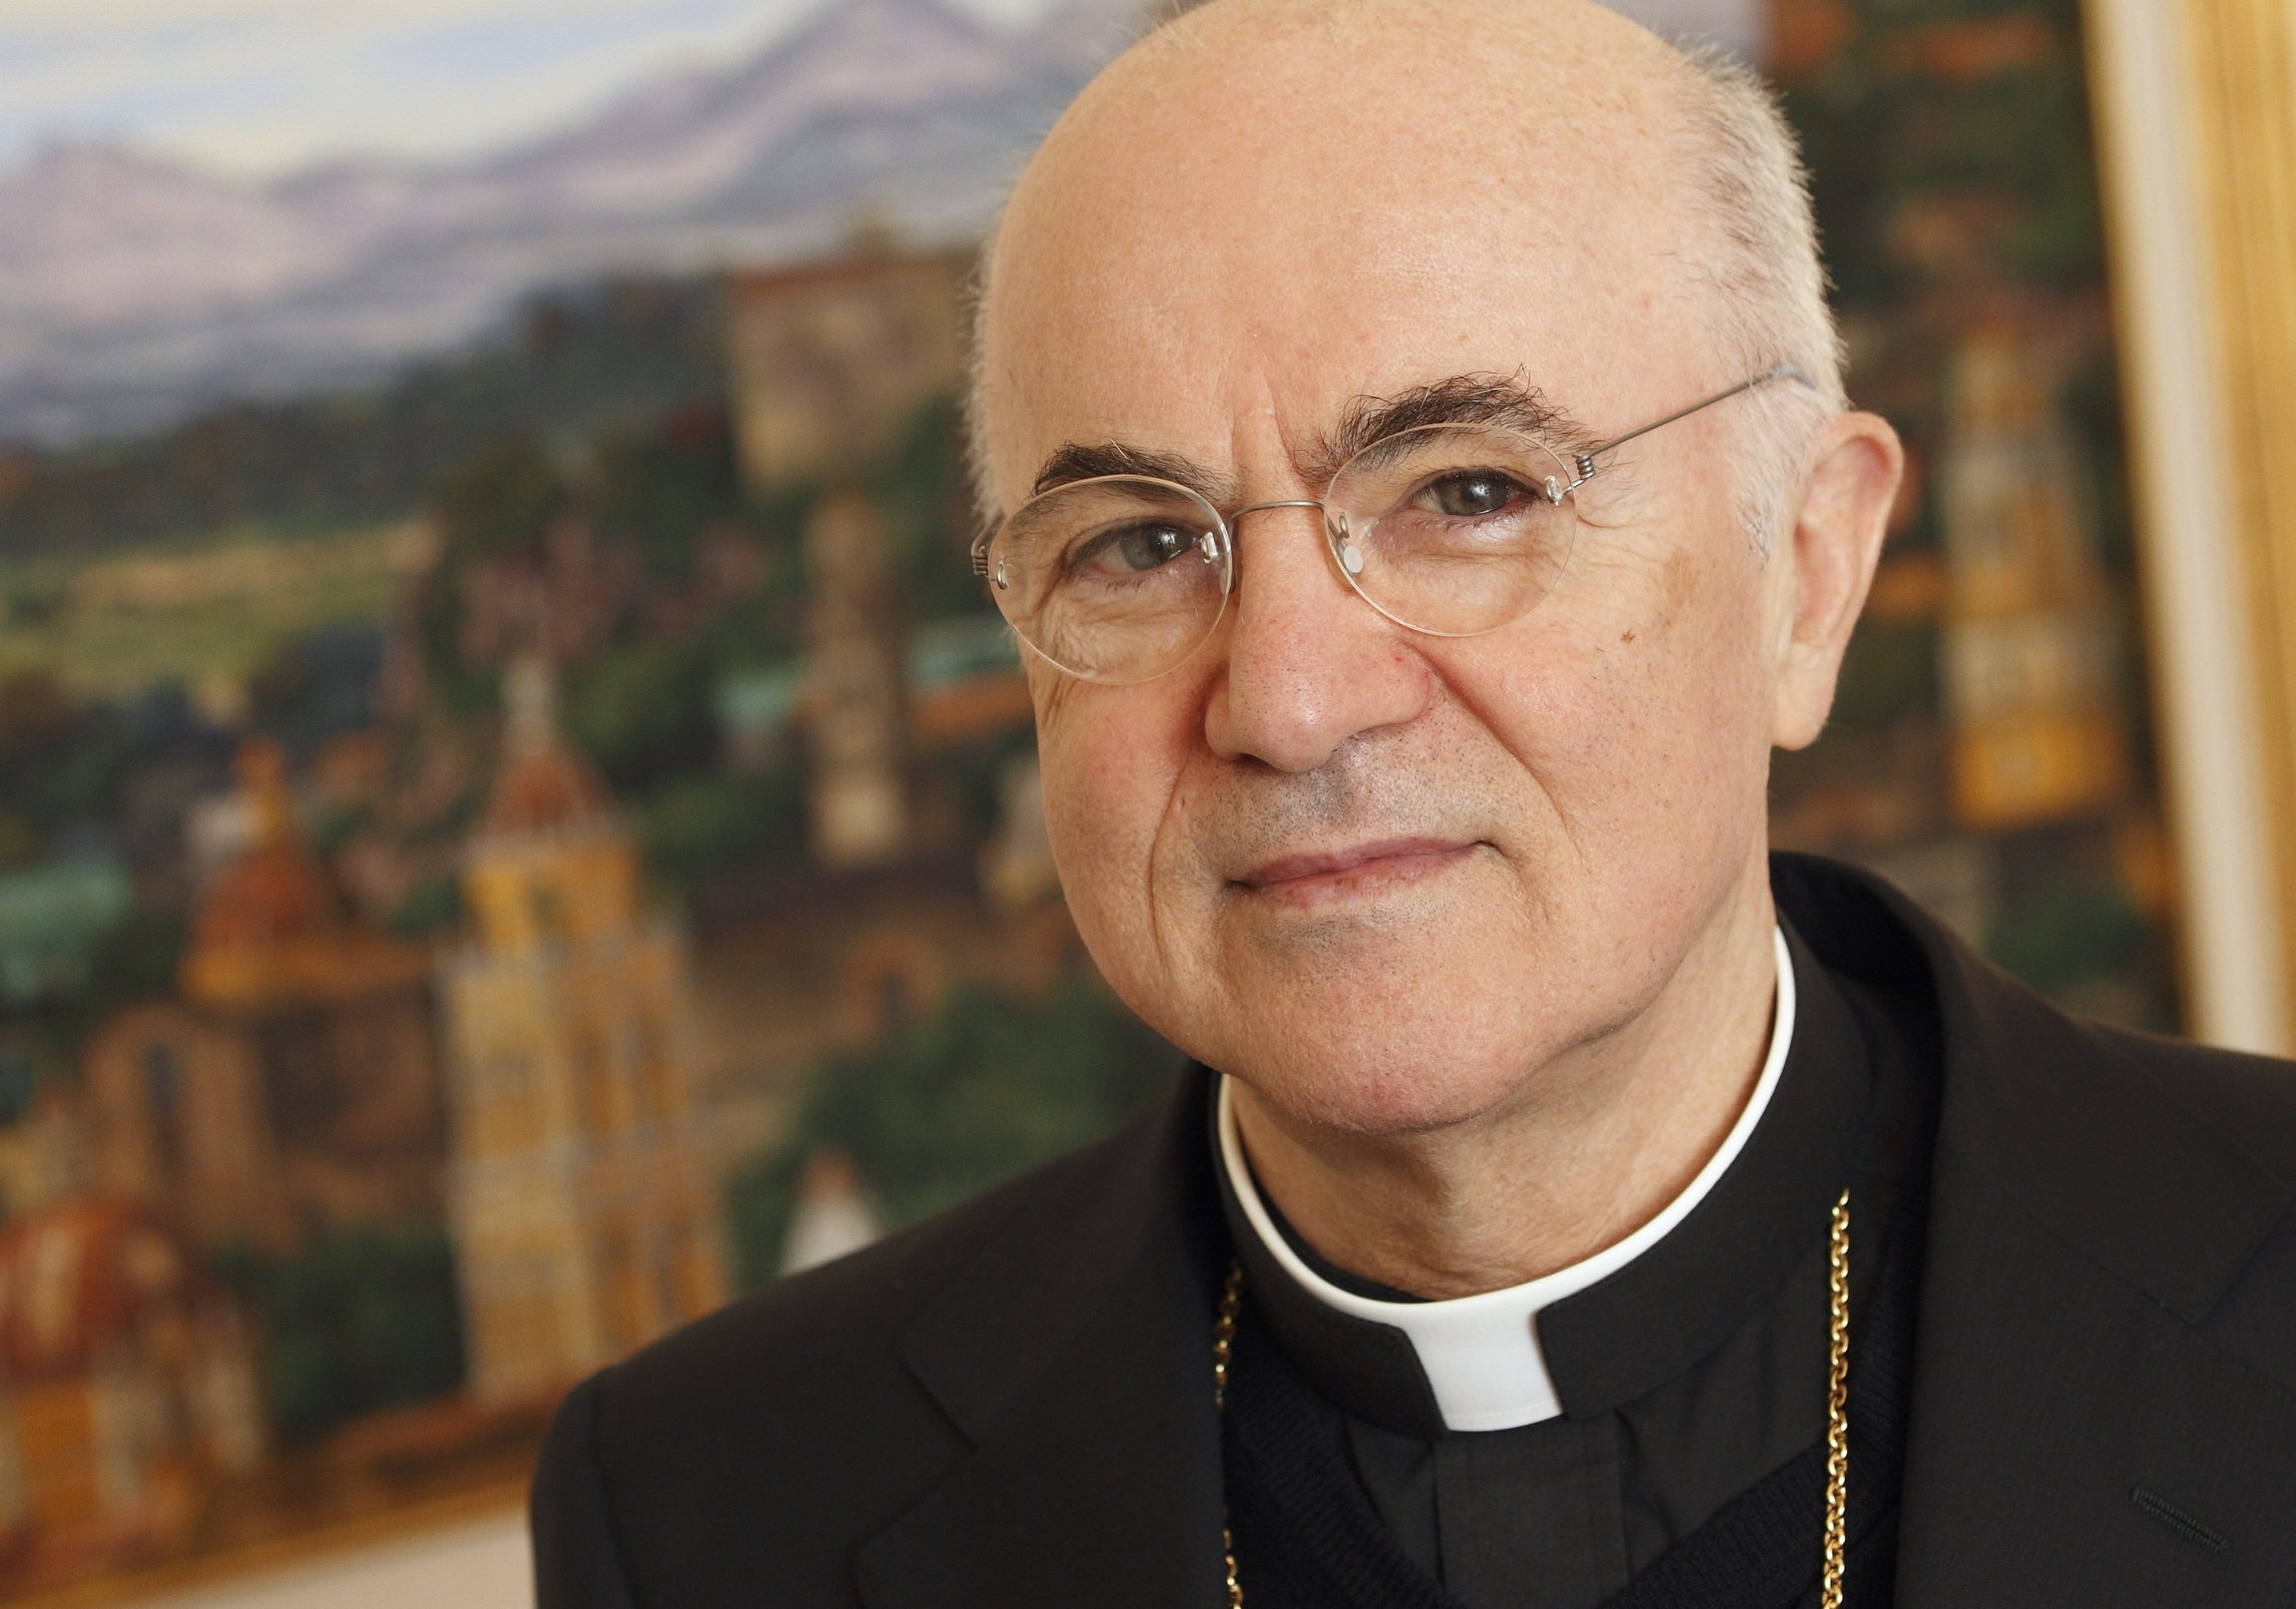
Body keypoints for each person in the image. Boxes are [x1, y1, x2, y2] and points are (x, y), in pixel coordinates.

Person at [529, 1, 2296, 1604]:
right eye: (1140, 544)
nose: (1291, 704)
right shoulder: (703, 1516)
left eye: (1466, 491)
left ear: (1809, 574)